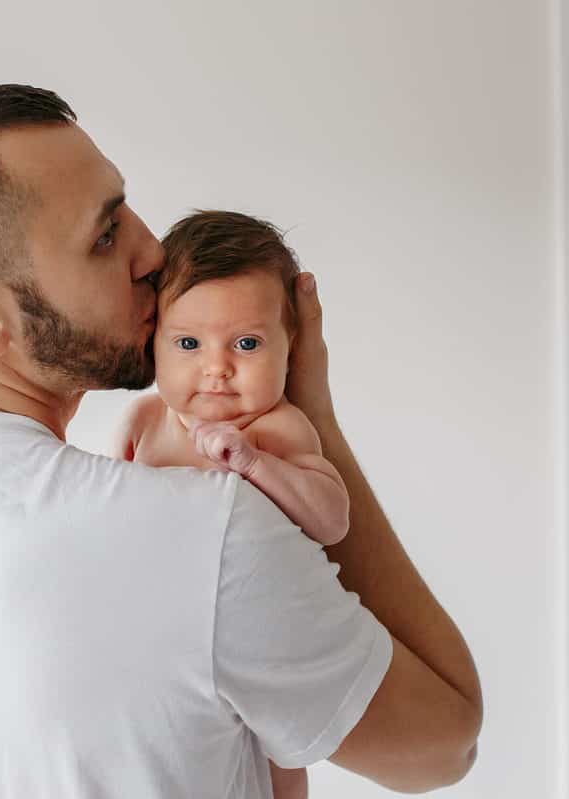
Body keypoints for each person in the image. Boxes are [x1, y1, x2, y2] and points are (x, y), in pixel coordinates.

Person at [0, 83, 483, 798]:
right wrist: (308, 413)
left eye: (126, 209)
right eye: (105, 235)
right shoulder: (203, 531)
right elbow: (443, 743)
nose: (155, 252)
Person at [113, 210, 351, 799]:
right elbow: (107, 508)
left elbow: (332, 519)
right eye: (189, 343)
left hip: (264, 642)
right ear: (153, 344)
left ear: (291, 349)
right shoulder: (145, 420)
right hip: (162, 640)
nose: (217, 368)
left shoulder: (278, 430)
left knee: (277, 762)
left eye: (247, 343)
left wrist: (254, 465)